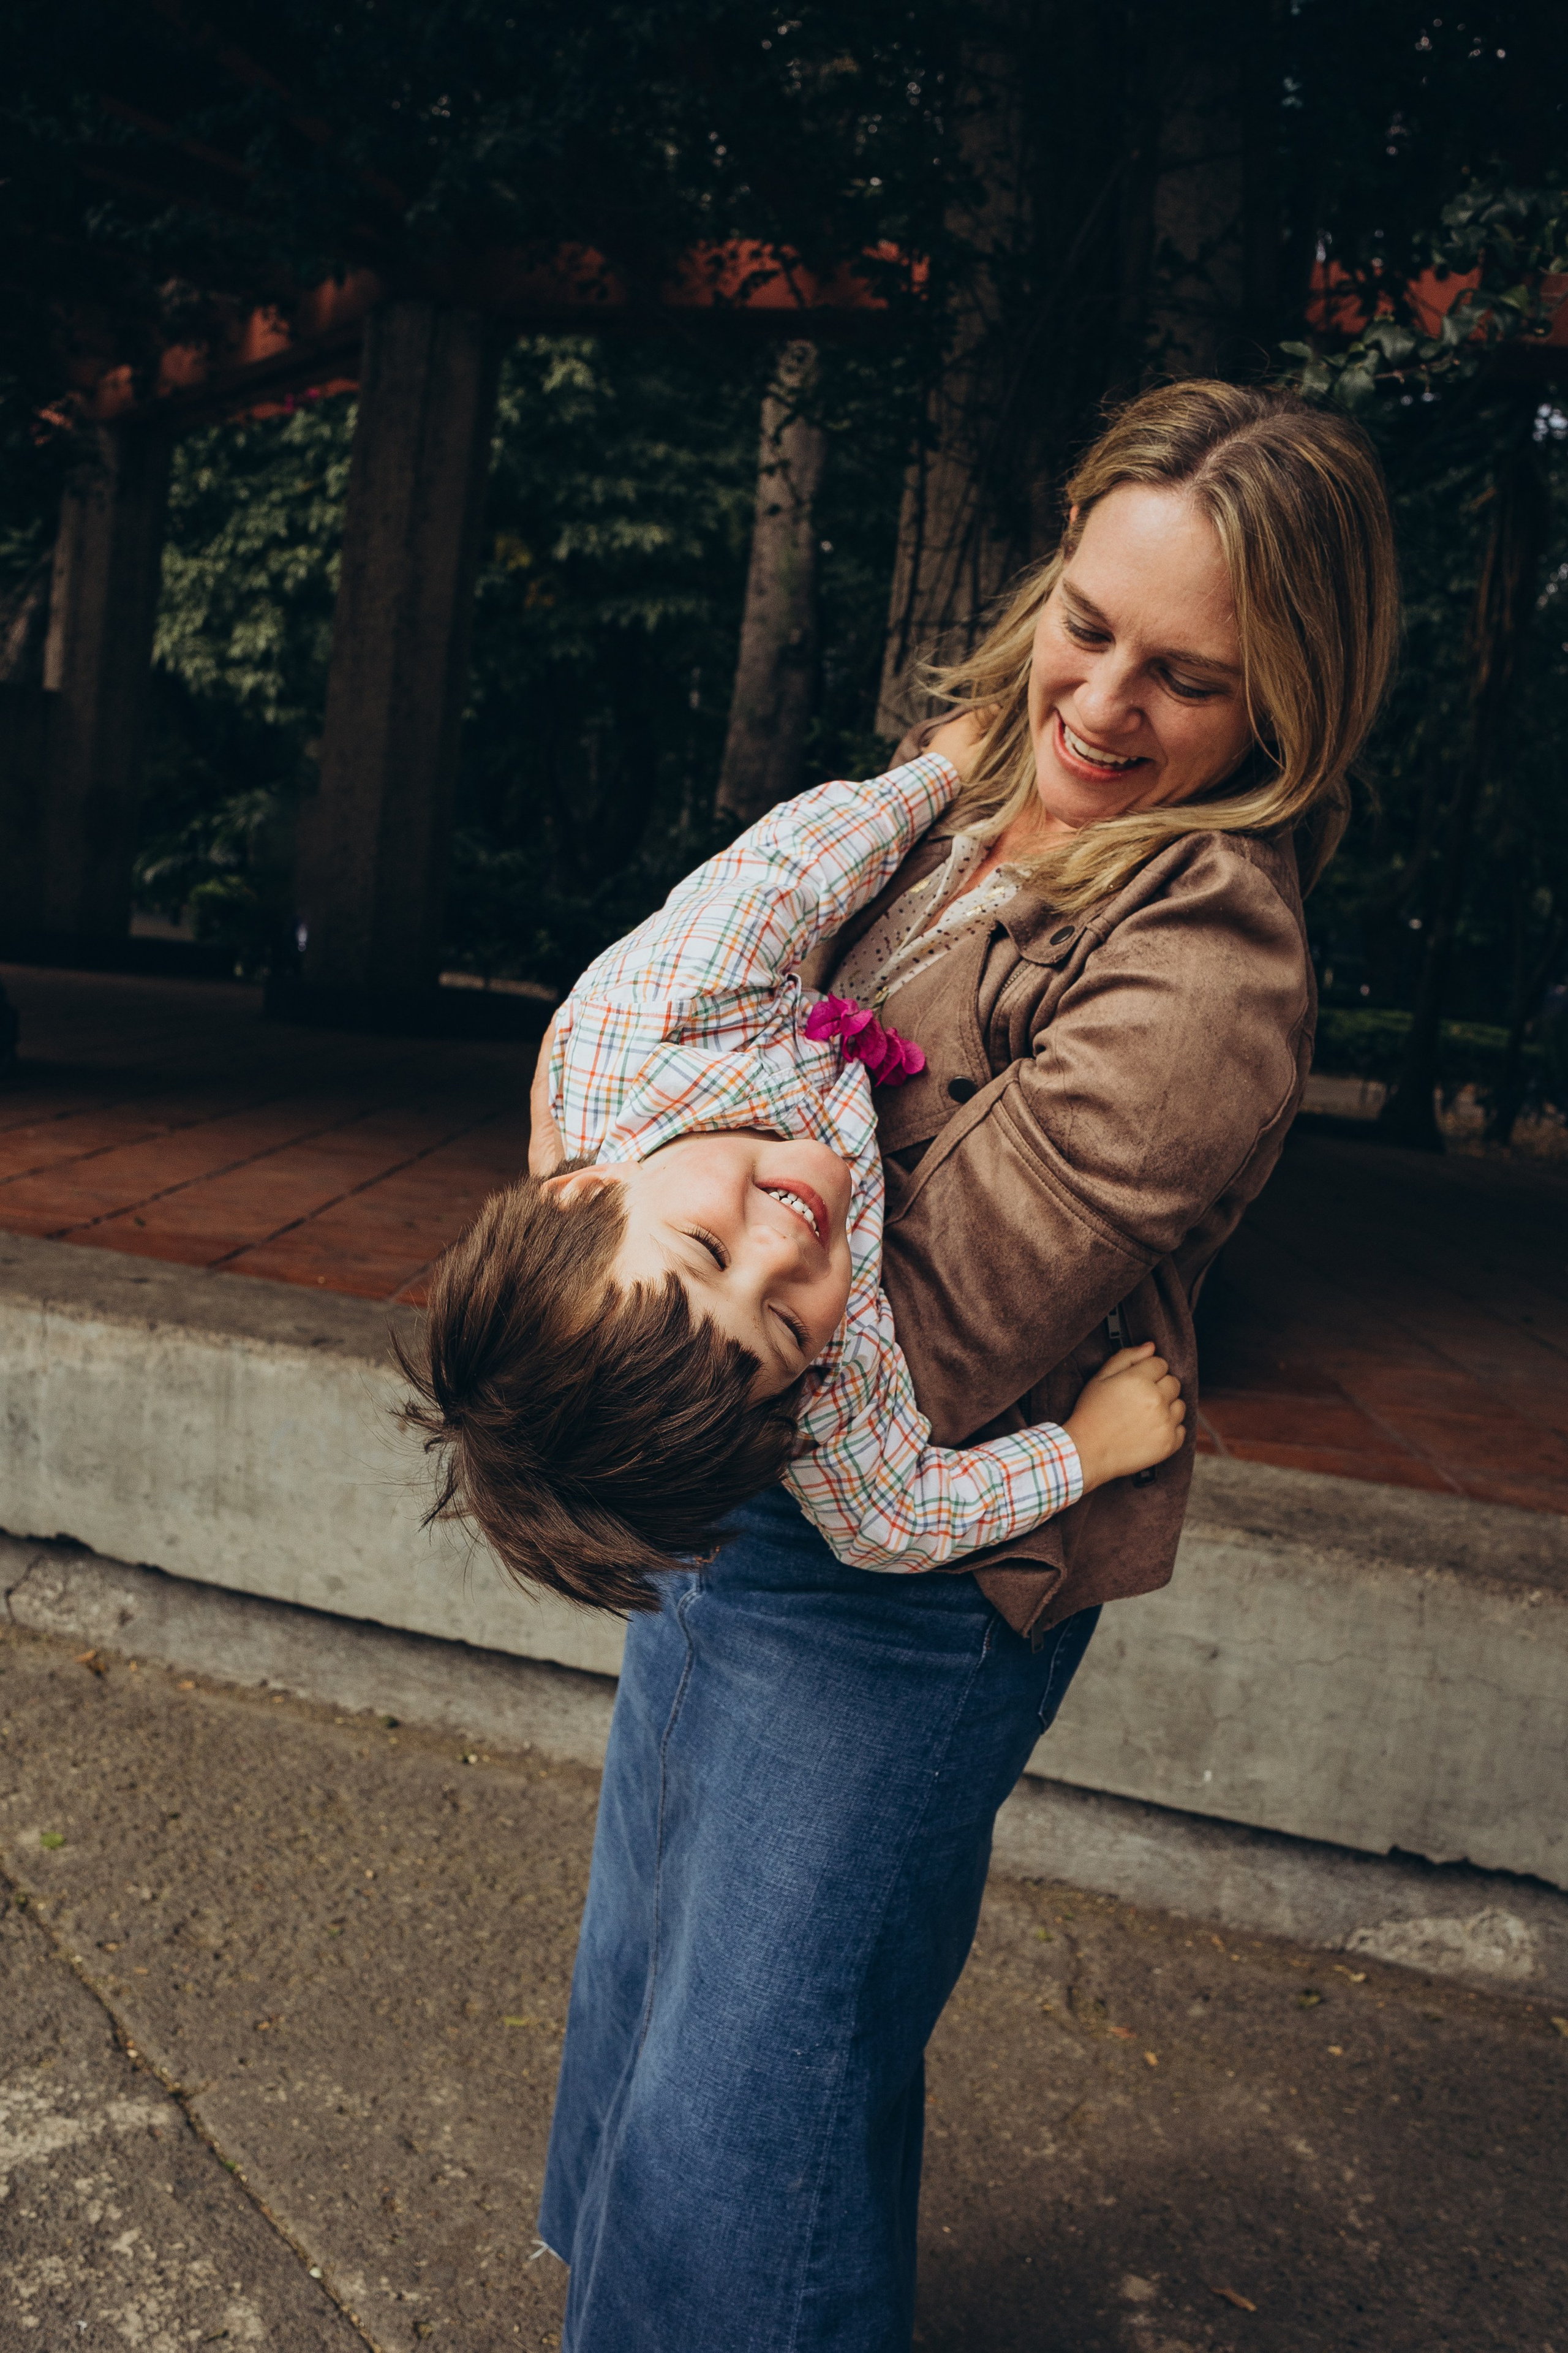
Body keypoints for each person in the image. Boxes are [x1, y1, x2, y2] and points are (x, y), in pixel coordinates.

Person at [536, 380, 1399, 2352]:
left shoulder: (1210, 951)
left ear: (1288, 700)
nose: (1101, 703)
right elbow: (673, 990)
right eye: (1089, 626)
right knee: (675, 1996)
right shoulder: (965, 793)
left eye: (1187, 679)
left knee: (747, 2091)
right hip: (743, 1497)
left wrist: (631, 1224)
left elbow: (914, 1337)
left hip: (894, 1575)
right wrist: (624, 1169)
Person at [402, 751, 1185, 1607]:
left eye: (705, 1248)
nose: (780, 1250)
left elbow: (786, 869)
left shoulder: (651, 1013)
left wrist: (943, 768)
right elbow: (890, 1518)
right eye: (780, 1323)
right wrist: (1085, 1450)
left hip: (739, 1037)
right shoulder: (827, 1374)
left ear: (588, 1189)